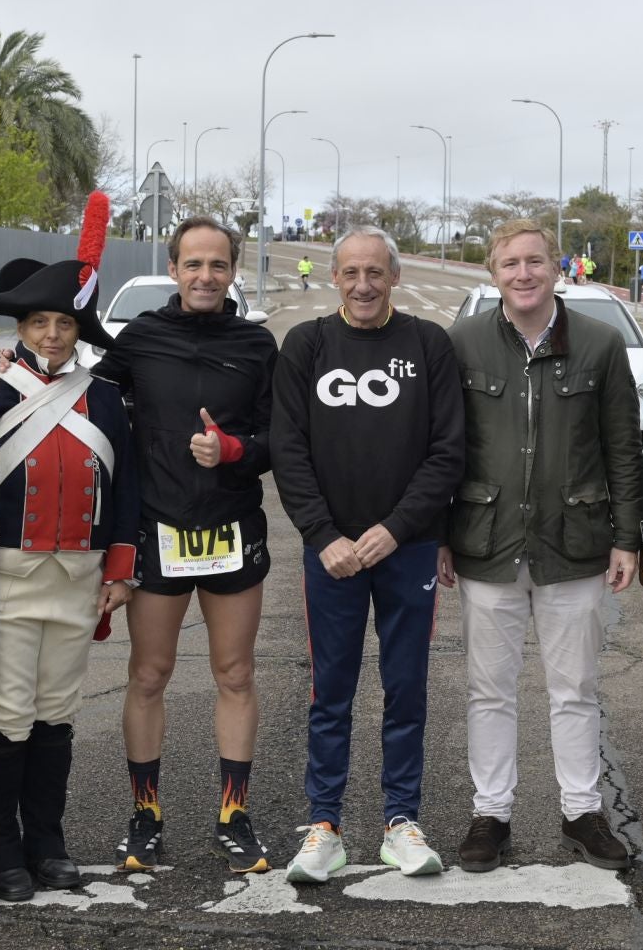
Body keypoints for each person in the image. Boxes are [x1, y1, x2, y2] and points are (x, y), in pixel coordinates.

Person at [0, 194, 140, 903]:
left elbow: (126, 492)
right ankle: (3, 848)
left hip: (76, 578)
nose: (51, 334)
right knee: (5, 717)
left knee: (57, 715)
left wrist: (119, 573)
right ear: (20, 327)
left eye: (63, 322)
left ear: (79, 329)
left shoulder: (103, 398)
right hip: (0, 579)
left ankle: (49, 842)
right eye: (39, 322)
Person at [441, 220, 641, 874]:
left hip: (575, 545)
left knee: (575, 688)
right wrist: (442, 535)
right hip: (487, 543)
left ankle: (582, 811)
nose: (523, 273)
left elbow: (623, 450)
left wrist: (626, 538)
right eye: (510, 263)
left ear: (559, 268)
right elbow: (444, 449)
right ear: (492, 271)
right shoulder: (462, 343)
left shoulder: (602, 345)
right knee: (489, 690)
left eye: (535, 261)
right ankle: (490, 815)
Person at [271, 225, 465, 884]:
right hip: (332, 557)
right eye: (351, 272)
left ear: (395, 276)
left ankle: (400, 823)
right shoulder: (307, 344)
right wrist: (323, 535)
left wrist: (398, 528)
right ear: (333, 277)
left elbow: (448, 451)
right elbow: (288, 449)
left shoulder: (427, 343)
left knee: (405, 689)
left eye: (375, 272)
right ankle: (324, 826)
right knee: (332, 693)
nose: (363, 285)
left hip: (406, 550)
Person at [100, 218, 280, 874]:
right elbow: (83, 399)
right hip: (157, 527)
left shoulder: (258, 346)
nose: (206, 276)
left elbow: (279, 439)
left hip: (233, 528)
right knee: (149, 674)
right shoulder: (141, 339)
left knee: (235, 673)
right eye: (193, 264)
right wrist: (6, 371)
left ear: (234, 271)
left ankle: (235, 814)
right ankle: (144, 815)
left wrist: (235, 451)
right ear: (173, 269)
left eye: (218, 265)